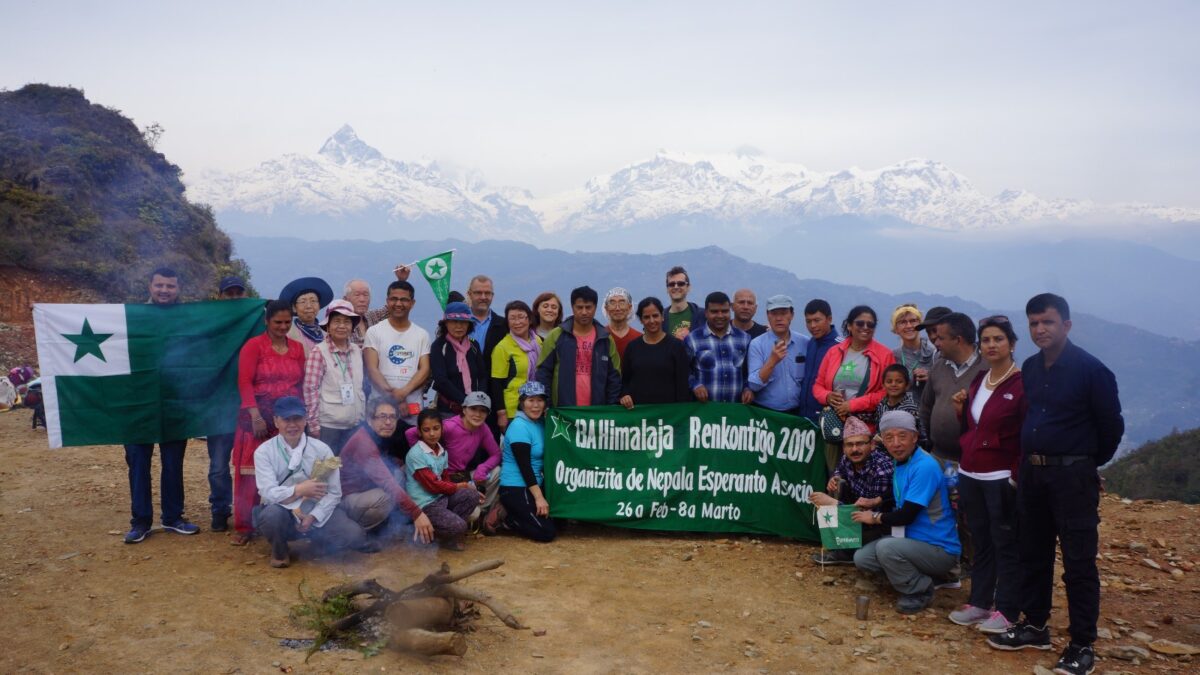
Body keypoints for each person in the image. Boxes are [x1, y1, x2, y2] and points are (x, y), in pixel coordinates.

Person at [987, 294, 1123, 675]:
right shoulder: (1030, 367)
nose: (1040, 329)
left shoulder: (1091, 371)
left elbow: (1111, 428)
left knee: (1078, 561)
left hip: (1072, 477)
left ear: (1066, 324)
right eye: (1033, 323)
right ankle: (1035, 625)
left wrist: (1083, 464)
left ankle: (1082, 644)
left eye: (1047, 322)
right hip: (1033, 473)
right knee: (1034, 551)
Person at [947, 316, 1024, 635]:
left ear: (1012, 344)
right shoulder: (980, 379)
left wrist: (1016, 476)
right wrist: (959, 411)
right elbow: (972, 426)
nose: (992, 345)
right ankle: (979, 602)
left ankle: (1007, 608)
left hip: (1000, 476)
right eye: (987, 340)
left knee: (1005, 541)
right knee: (981, 539)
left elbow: (1025, 433)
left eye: (998, 339)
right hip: (970, 472)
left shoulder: (1021, 384)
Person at [851, 411, 961, 614]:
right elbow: (903, 494)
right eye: (889, 437)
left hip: (938, 549)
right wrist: (877, 500)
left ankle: (919, 590)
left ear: (915, 437)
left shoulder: (924, 466)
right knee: (863, 558)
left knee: (886, 548)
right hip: (912, 543)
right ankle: (921, 575)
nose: (896, 443)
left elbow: (906, 515)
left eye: (902, 436)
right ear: (882, 440)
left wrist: (874, 517)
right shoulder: (901, 462)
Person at [252, 396, 378, 568]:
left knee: (353, 535)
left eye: (297, 419)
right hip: (283, 511)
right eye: (286, 419)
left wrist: (313, 516)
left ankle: (319, 542)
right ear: (276, 421)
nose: (292, 425)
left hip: (316, 509)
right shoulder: (264, 452)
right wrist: (300, 490)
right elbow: (268, 492)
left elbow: (334, 493)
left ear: (305, 420)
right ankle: (279, 550)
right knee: (271, 515)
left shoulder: (321, 448)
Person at [122, 267, 199, 543]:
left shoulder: (187, 318)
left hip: (174, 404)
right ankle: (140, 521)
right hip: (138, 404)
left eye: (170, 286)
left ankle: (173, 517)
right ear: (149, 286)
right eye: (159, 285)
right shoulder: (132, 318)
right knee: (138, 464)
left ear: (178, 289)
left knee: (173, 463)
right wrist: (45, 314)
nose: (164, 290)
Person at [230, 299, 306, 545]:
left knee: (289, 469)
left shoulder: (297, 348)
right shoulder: (254, 346)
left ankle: (284, 521)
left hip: (288, 420)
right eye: (278, 322)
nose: (283, 327)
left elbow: (301, 384)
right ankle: (244, 526)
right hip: (259, 419)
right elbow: (244, 382)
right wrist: (255, 416)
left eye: (287, 322)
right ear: (266, 321)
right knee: (251, 474)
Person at [338, 398, 435, 544]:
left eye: (392, 417)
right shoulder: (363, 442)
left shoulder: (379, 435)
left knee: (399, 473)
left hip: (366, 489)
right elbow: (387, 482)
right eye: (382, 417)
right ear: (370, 420)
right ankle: (364, 530)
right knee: (388, 496)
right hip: (347, 498)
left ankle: (389, 522)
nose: (388, 422)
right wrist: (417, 513)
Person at [812, 305, 895, 471]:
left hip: (865, 427)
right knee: (835, 474)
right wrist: (828, 396)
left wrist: (852, 405)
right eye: (860, 323)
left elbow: (887, 393)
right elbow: (818, 385)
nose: (865, 328)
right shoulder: (834, 352)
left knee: (863, 473)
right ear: (849, 326)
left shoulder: (884, 355)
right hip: (835, 425)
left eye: (870, 325)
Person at [809, 416, 894, 564]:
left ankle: (845, 552)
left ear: (872, 445)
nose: (854, 449)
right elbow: (839, 471)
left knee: (830, 504)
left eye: (860, 444)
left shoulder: (882, 469)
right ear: (844, 447)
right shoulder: (846, 458)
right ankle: (840, 547)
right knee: (840, 485)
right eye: (849, 445)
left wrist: (833, 503)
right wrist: (834, 479)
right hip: (857, 512)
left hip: (880, 525)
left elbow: (871, 515)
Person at [403, 391, 502, 516]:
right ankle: (463, 514)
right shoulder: (450, 426)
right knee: (472, 514)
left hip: (464, 475)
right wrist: (423, 455)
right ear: (464, 409)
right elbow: (410, 433)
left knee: (496, 472)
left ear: (487, 414)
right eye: (473, 409)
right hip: (445, 478)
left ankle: (482, 512)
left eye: (483, 410)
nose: (477, 414)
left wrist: (483, 468)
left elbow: (496, 454)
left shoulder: (483, 428)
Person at [405, 409, 485, 551]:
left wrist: (466, 488)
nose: (432, 433)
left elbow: (445, 480)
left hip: (440, 498)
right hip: (425, 505)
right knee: (460, 525)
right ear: (419, 431)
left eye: (436, 428)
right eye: (426, 430)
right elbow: (433, 486)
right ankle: (428, 533)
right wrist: (464, 485)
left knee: (472, 495)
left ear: (442, 428)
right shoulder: (416, 454)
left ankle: (445, 534)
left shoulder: (442, 451)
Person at [206, 275, 247, 532]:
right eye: (228, 293)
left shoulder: (252, 321)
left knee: (249, 465)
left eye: (238, 293)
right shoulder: (211, 323)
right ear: (220, 296)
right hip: (217, 408)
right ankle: (220, 509)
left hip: (246, 408)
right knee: (218, 466)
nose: (233, 298)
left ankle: (247, 511)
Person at [536, 286, 622, 407]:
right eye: (579, 307)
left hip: (596, 413)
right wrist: (547, 405)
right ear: (572, 307)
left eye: (588, 307)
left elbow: (614, 377)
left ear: (595, 308)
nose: (584, 312)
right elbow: (543, 372)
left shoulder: (605, 339)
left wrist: (610, 407)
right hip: (564, 412)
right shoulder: (556, 336)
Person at [920, 312, 987, 463]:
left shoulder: (988, 369)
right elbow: (926, 407)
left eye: (940, 338)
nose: (936, 343)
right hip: (937, 457)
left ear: (958, 340)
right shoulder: (938, 367)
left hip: (972, 462)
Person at [364, 280, 432, 427]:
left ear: (412, 303)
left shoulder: (422, 335)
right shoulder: (374, 332)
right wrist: (397, 399)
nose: (398, 304)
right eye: (394, 299)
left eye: (404, 300)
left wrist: (404, 392)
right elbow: (372, 369)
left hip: (412, 413)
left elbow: (425, 369)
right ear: (387, 301)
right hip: (379, 412)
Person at [303, 299, 366, 455]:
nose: (342, 326)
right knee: (326, 472)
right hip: (328, 427)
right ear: (328, 326)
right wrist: (313, 426)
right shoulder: (319, 352)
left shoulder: (357, 351)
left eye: (346, 322)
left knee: (349, 473)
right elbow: (310, 390)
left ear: (352, 326)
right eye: (337, 321)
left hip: (354, 425)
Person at [498, 382, 556, 541]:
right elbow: (525, 467)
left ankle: (518, 513)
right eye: (531, 400)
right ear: (522, 402)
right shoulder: (519, 426)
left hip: (534, 485)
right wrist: (539, 498)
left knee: (560, 521)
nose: (536, 405)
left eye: (540, 400)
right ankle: (507, 519)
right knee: (546, 533)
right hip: (516, 487)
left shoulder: (541, 423)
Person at [619, 297, 692, 408]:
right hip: (638, 417)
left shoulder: (676, 346)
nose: (652, 321)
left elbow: (682, 384)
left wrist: (679, 413)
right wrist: (625, 395)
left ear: (662, 316)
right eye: (646, 317)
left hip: (669, 417)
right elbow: (625, 381)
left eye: (655, 315)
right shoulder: (632, 347)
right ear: (641, 320)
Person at [685, 291, 754, 404]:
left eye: (724, 311)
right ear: (706, 313)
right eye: (714, 312)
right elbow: (684, 370)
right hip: (705, 412)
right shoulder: (692, 339)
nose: (720, 316)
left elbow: (748, 372)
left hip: (735, 411)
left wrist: (748, 388)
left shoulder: (744, 339)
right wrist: (695, 385)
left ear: (730, 311)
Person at [747, 294, 808, 414]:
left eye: (784, 313)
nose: (779, 318)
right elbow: (754, 385)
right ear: (768, 315)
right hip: (766, 413)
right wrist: (772, 361)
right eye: (774, 313)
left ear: (792, 315)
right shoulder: (757, 344)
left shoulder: (805, 343)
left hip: (797, 413)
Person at [490, 300, 542, 432]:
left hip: (536, 407)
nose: (517, 322)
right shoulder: (502, 347)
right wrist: (501, 414)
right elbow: (496, 383)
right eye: (512, 318)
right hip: (513, 410)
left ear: (529, 319)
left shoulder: (537, 341)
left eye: (521, 317)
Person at [429, 301, 486, 416]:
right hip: (448, 410)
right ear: (446, 323)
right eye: (454, 322)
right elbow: (441, 380)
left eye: (463, 322)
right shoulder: (439, 346)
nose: (459, 326)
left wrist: (479, 399)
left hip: (474, 409)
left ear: (469, 324)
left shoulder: (474, 346)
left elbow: (482, 375)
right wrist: (466, 402)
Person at [799, 299, 843, 422]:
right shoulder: (811, 343)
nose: (812, 326)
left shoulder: (841, 347)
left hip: (829, 417)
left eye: (817, 320)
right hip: (804, 415)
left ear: (829, 319)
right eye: (808, 321)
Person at [873, 364, 926, 448]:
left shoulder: (910, 408)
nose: (894, 384)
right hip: (884, 448)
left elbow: (920, 435)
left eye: (899, 381)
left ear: (907, 385)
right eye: (889, 381)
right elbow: (878, 428)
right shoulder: (881, 405)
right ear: (883, 385)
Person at [281, 277, 334, 357]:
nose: (309, 306)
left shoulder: (326, 333)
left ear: (319, 305)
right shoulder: (287, 333)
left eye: (313, 301)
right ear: (294, 308)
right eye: (303, 301)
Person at [891, 304, 935, 398]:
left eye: (913, 321)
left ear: (920, 325)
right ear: (896, 329)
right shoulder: (892, 356)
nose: (909, 326)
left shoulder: (934, 354)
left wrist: (931, 378)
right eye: (902, 322)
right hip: (899, 408)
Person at [466, 275, 509, 362]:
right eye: (478, 293)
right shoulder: (459, 323)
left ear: (492, 295)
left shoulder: (504, 325)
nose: (483, 297)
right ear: (470, 294)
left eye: (487, 293)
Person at [665, 266, 705, 340]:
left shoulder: (703, 316)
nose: (676, 287)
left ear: (688, 287)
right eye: (671, 284)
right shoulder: (660, 319)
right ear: (667, 289)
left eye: (680, 283)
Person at [603, 287, 642, 362]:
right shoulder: (600, 337)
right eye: (612, 303)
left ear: (630, 307)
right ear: (606, 308)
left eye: (622, 303)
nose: (617, 308)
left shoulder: (639, 338)